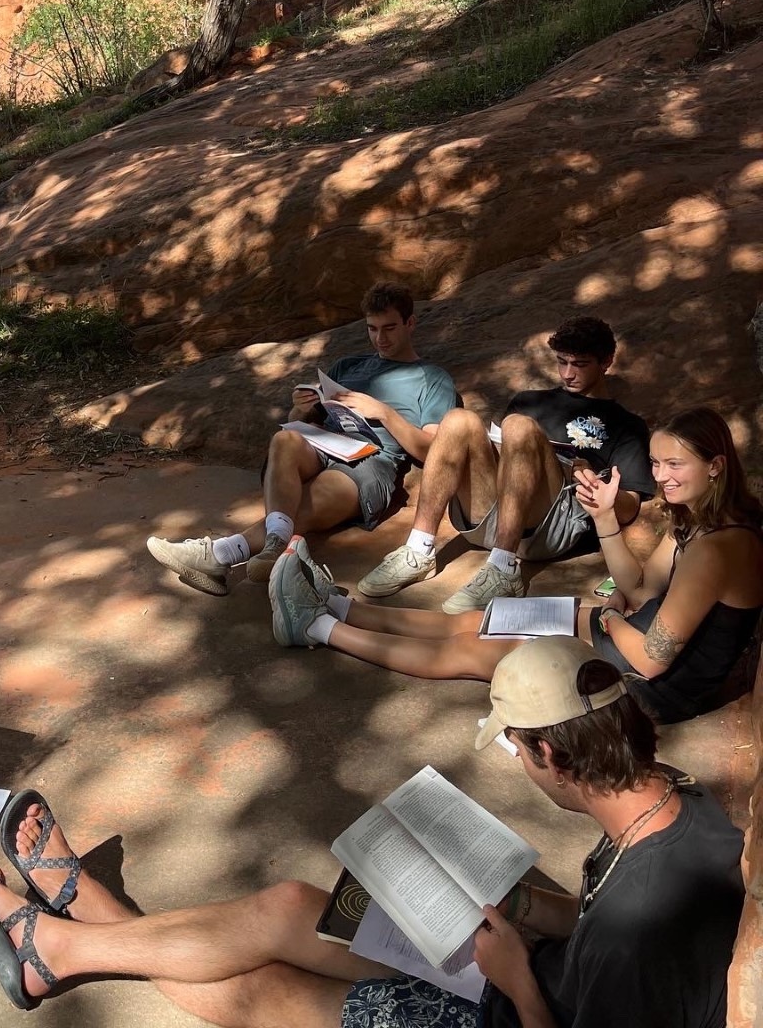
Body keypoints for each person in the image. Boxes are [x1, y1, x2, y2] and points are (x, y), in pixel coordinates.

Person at [0, 638, 745, 1027]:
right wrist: (538, 913)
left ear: (550, 751)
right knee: (286, 906)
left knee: (263, 989)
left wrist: (513, 978)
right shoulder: (674, 804)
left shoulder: (633, 942)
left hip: (514, 1005)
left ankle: (65, 941)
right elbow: (603, 917)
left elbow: (613, 966)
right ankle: (74, 940)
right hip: (539, 963)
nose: (519, 765)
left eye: (515, 748)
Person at [267, 407, 763, 723]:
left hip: (649, 687)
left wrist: (606, 617)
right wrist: (605, 519)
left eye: (675, 465)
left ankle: (316, 626)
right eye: (656, 464)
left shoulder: (718, 547)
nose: (661, 477)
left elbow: (653, 659)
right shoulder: (695, 524)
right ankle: (339, 605)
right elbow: (636, 585)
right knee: (475, 621)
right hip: (627, 635)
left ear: (715, 467)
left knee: (472, 650)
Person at [146, 283, 456, 595]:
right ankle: (274, 545)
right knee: (285, 438)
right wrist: (300, 409)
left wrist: (384, 413)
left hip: (370, 463)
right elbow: (306, 422)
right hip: (326, 444)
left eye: (389, 328)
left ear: (410, 324)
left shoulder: (432, 378)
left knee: (314, 493)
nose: (381, 339)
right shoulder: (349, 366)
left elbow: (432, 451)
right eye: (372, 329)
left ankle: (222, 553)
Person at [358, 315, 653, 614]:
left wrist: (592, 485)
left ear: (606, 362)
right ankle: (419, 550)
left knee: (519, 427)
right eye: (562, 362)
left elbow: (629, 507)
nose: (567, 374)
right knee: (459, 419)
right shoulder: (529, 401)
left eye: (579, 365)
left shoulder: (626, 425)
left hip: (552, 527)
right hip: (494, 515)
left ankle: (503, 568)